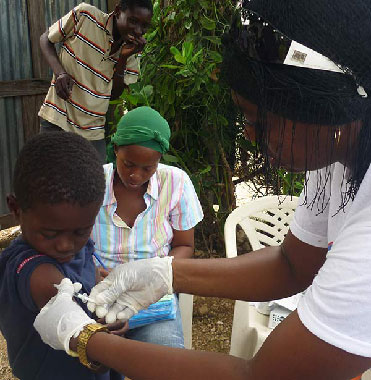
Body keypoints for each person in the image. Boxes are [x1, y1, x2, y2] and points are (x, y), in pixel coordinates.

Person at [33, 0, 371, 379]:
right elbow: (291, 264)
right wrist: (167, 273)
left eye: (257, 118)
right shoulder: (334, 157)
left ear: (320, 106)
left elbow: (260, 376)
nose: (250, 135)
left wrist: (84, 338)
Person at [0, 132, 115, 380]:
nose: (65, 245)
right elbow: (60, 305)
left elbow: (87, 276)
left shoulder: (80, 246)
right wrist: (107, 346)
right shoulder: (31, 269)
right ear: (16, 209)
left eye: (80, 231)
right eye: (50, 233)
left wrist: (106, 313)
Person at [90, 106, 203, 348]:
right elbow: (73, 242)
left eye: (147, 168)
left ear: (159, 161)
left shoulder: (175, 182)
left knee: (166, 360)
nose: (135, 175)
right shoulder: (92, 183)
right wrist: (89, 273)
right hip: (98, 292)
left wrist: (151, 272)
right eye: (128, 164)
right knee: (90, 358)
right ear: (116, 149)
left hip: (153, 294)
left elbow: (184, 245)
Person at [38, 0, 153, 162]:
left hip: (93, 132)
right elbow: (45, 39)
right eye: (133, 21)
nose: (138, 31)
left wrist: (123, 58)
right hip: (58, 120)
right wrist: (61, 73)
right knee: (49, 183)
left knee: (93, 185)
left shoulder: (134, 52)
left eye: (145, 26)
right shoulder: (85, 16)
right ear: (118, 11)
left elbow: (113, 95)